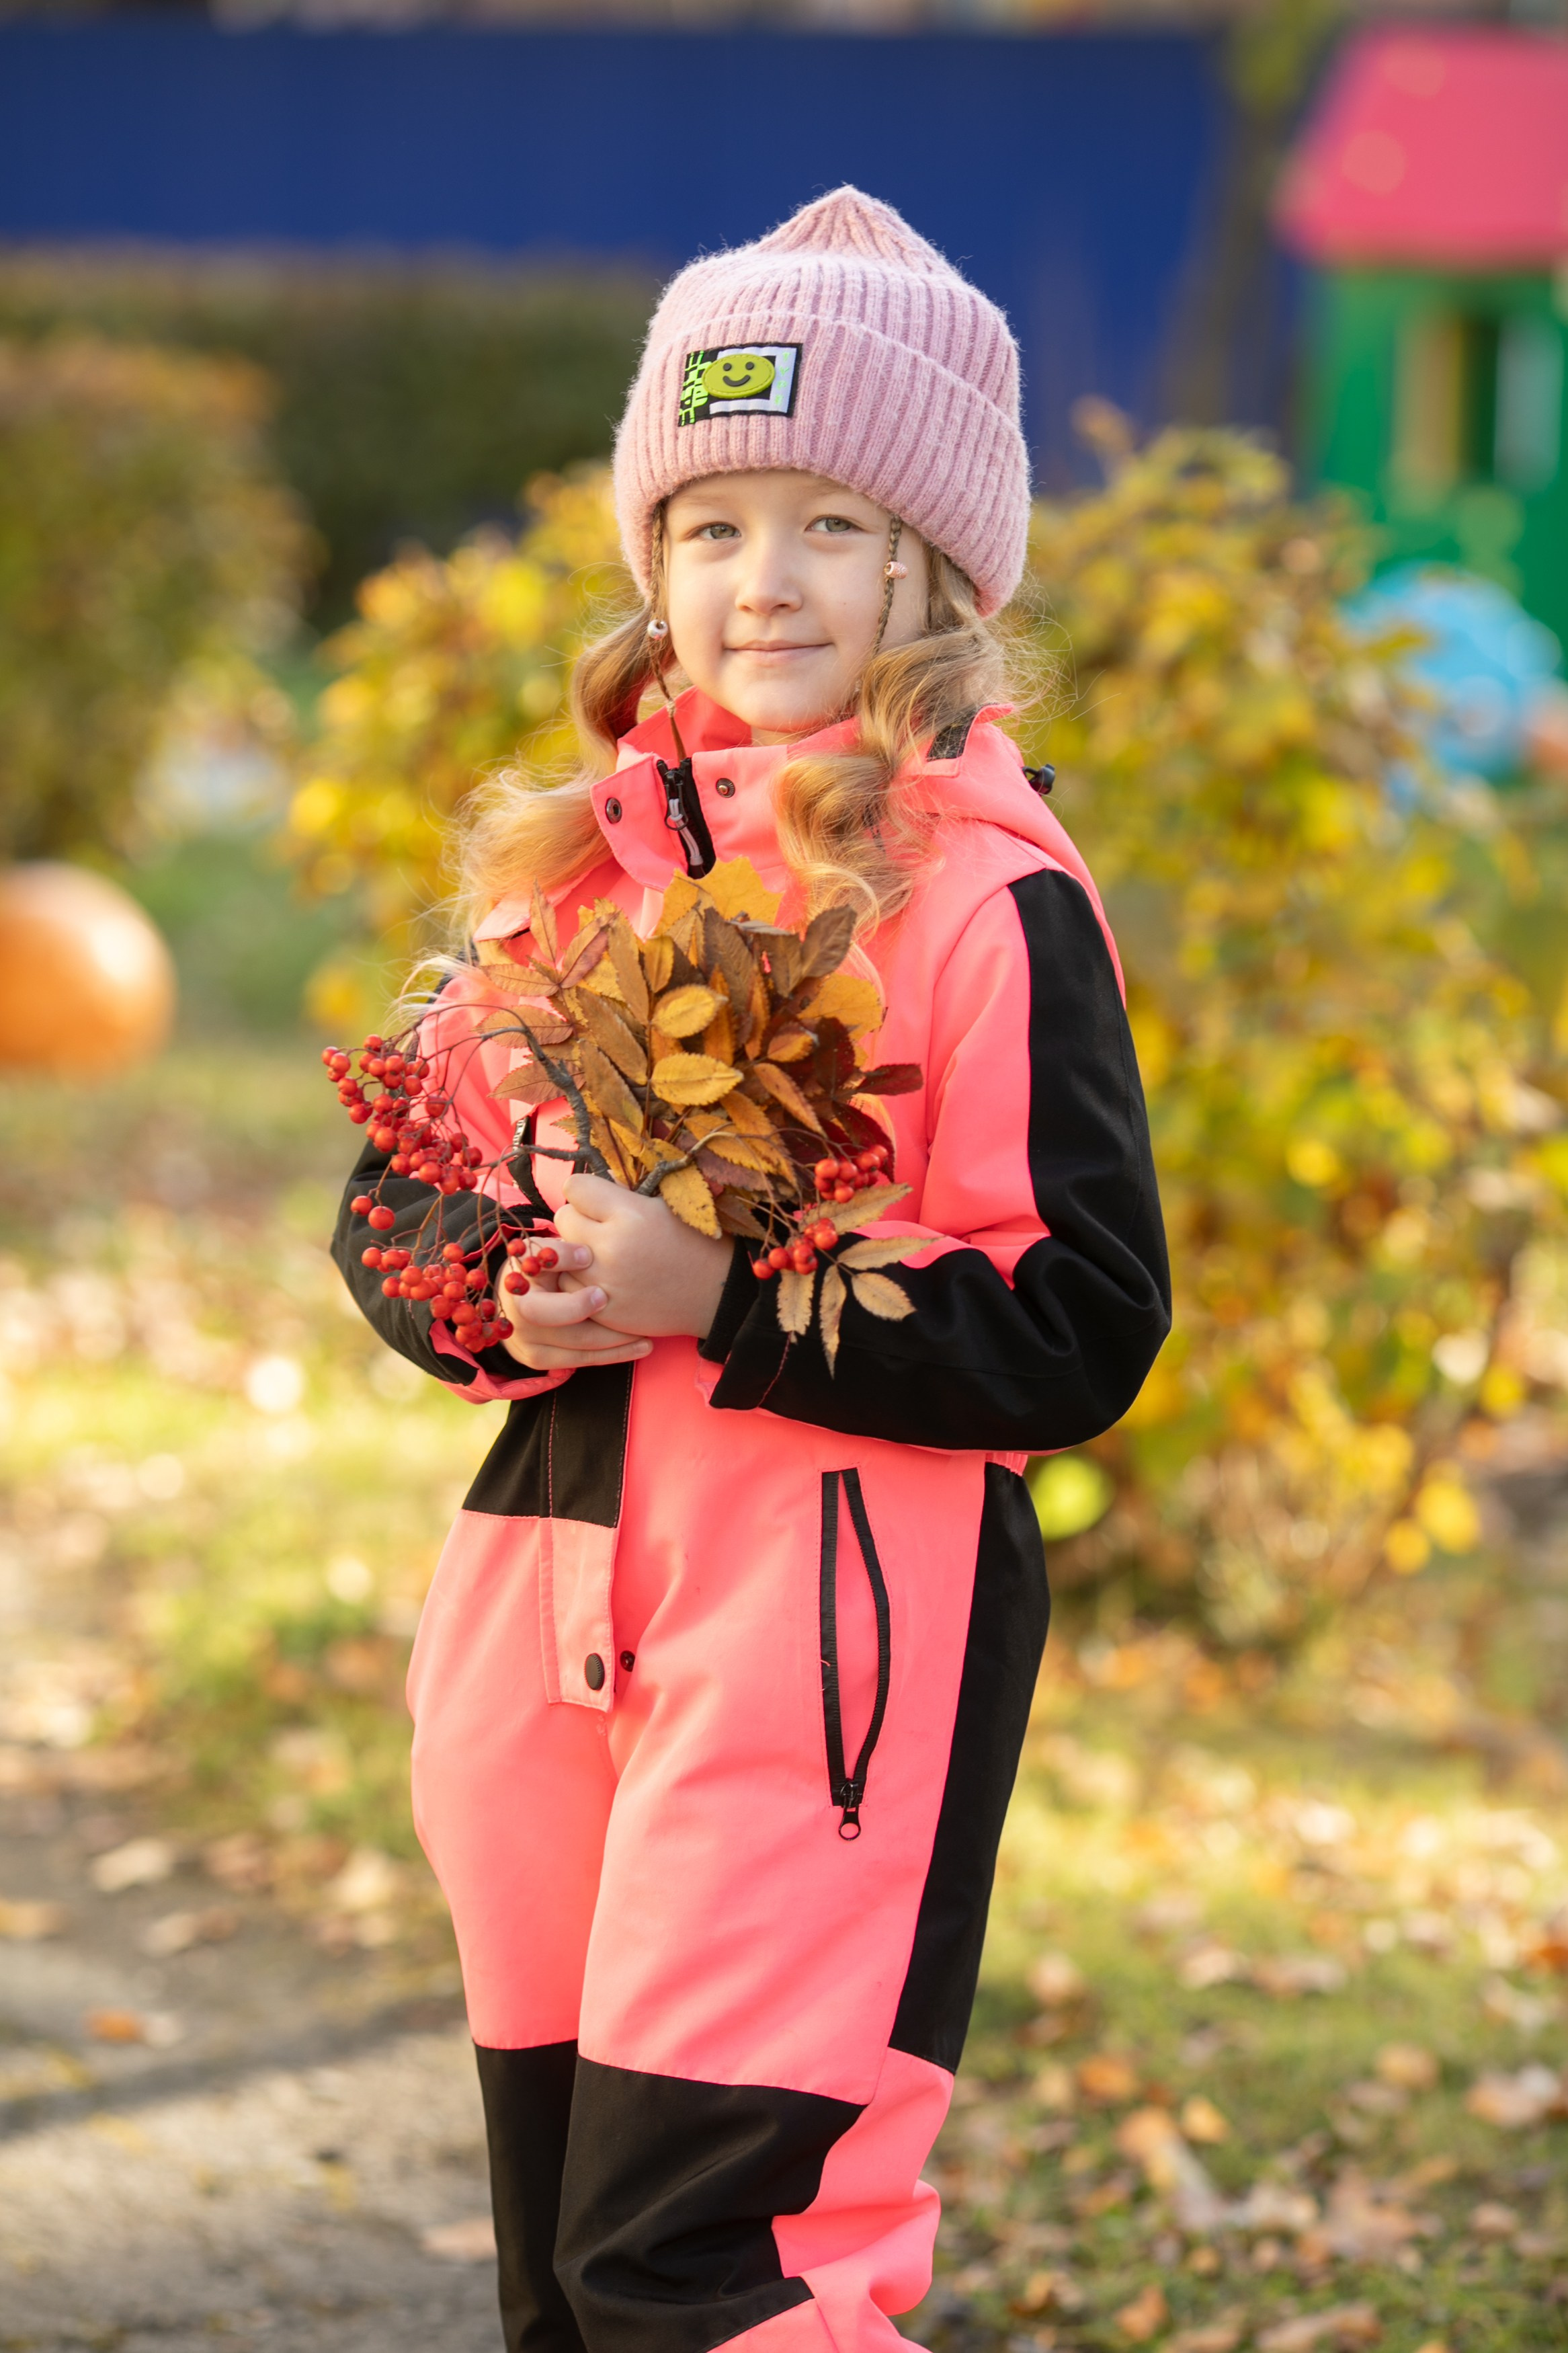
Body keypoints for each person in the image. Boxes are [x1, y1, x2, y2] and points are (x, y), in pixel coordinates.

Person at [333, 188, 1170, 2353]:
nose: (761, 580)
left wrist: (723, 1299)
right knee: (563, 2271)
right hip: (541, 1629)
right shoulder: (572, 874)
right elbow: (389, 1200)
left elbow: (1083, 1317)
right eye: (709, 526)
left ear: (931, 572)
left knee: (706, 2268)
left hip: (830, 1657)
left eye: (827, 525)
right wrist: (501, 1286)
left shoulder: (981, 898)